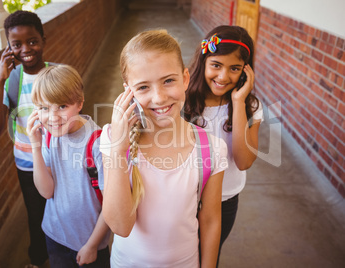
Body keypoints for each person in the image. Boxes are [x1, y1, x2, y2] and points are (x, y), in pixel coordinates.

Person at [100, 29, 228, 268]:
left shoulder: (212, 148)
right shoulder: (112, 138)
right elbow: (120, 227)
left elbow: (210, 220)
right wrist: (118, 151)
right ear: (128, 91)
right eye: (143, 87)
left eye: (168, 81)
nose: (158, 98)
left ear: (186, 78)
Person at [184, 25, 264, 266]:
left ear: (245, 71)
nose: (223, 76)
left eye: (234, 69)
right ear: (204, 61)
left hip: (224, 201)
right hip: (182, 199)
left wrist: (238, 103)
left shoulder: (250, 107)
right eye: (216, 65)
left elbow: (243, 161)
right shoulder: (182, 101)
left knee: (208, 257)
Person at [26, 65, 111, 268]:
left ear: (79, 103)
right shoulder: (46, 137)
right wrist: (35, 147)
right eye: (44, 108)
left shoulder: (98, 143)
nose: (53, 117)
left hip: (90, 242)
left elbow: (111, 203)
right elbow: (47, 192)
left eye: (62, 106)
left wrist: (92, 245)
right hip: (54, 235)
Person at [0, 10, 51, 268]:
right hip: (28, 164)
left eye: (32, 41)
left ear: (43, 40)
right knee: (36, 216)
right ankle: (37, 260)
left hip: (59, 161)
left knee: (64, 211)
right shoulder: (11, 81)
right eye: (17, 44)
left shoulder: (56, 74)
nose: (26, 48)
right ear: (9, 48)